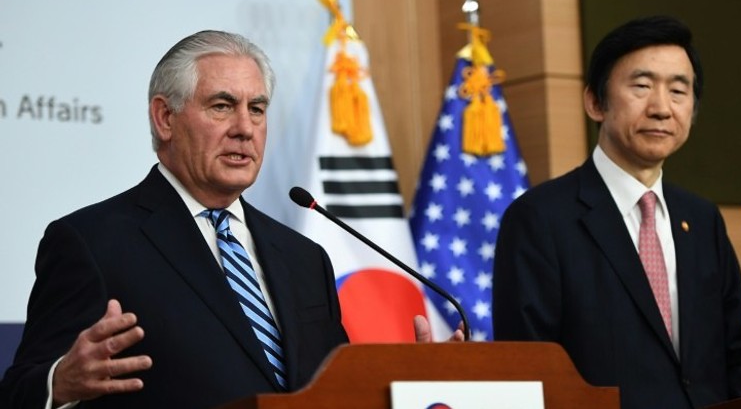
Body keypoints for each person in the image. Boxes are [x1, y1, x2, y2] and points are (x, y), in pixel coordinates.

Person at [0, 30, 454, 409]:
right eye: (222, 105)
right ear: (164, 118)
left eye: (256, 108)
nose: (245, 127)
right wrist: (60, 383)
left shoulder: (303, 257)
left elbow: (330, 392)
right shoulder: (92, 242)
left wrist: (406, 385)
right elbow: (20, 391)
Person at [492, 16, 741, 409]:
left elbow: (739, 351)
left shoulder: (702, 219)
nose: (661, 108)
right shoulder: (540, 219)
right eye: (641, 86)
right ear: (595, 102)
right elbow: (528, 365)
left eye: (679, 91)